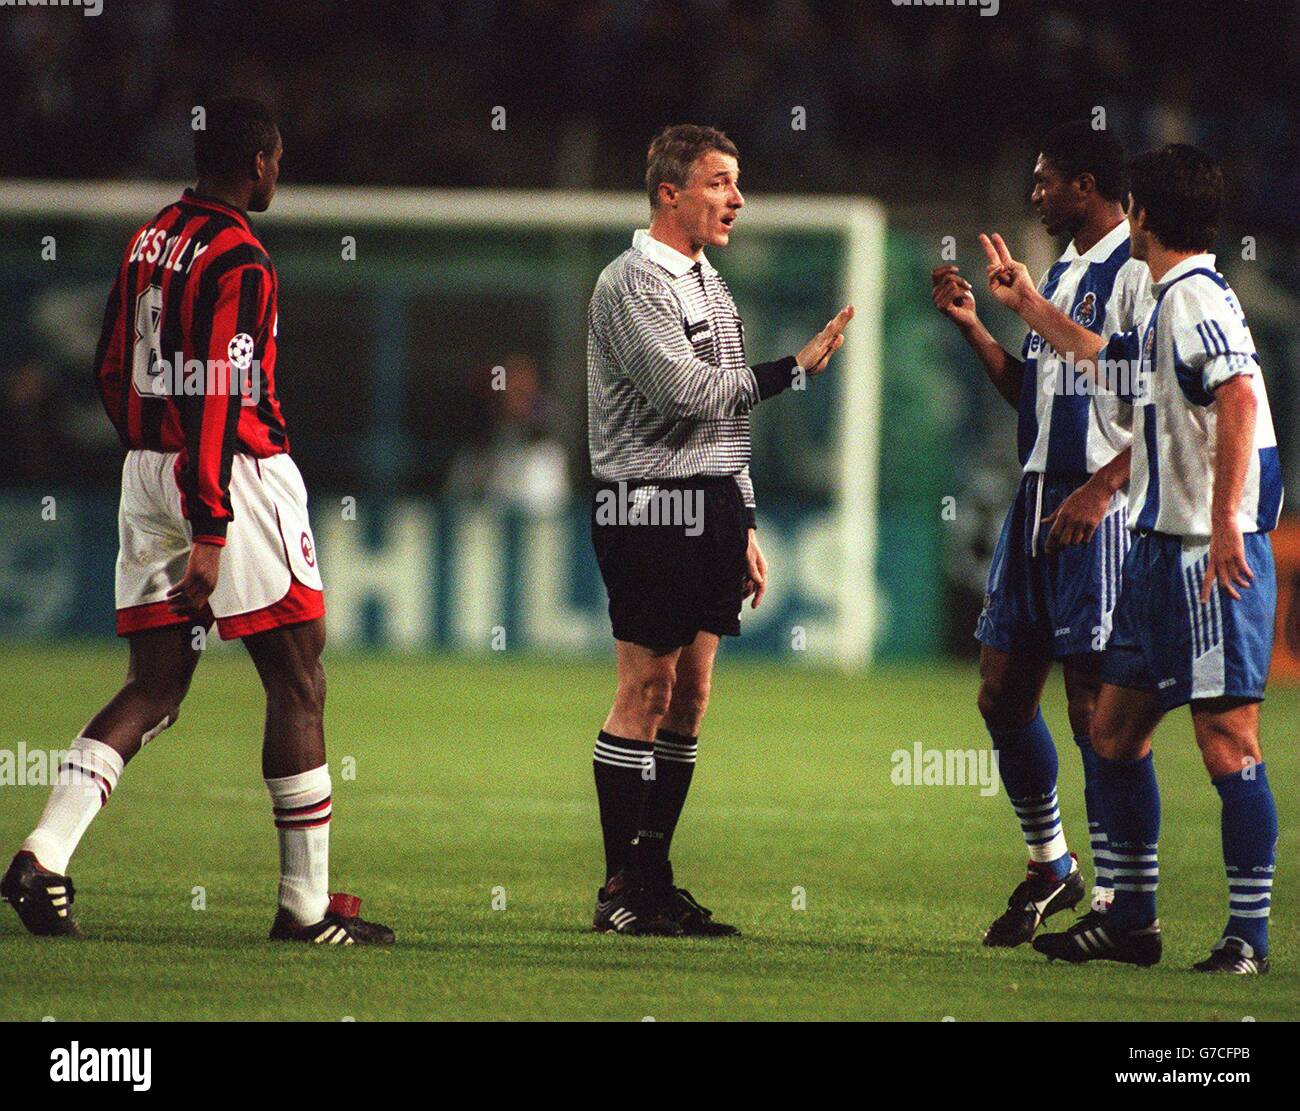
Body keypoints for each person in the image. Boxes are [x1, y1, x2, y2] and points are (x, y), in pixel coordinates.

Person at [1, 97, 392, 947]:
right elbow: (220, 388)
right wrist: (211, 525)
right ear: (258, 162)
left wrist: (147, 450)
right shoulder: (240, 259)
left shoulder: (151, 236)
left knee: (155, 684)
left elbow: (111, 361)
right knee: (298, 677)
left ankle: (43, 854)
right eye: (277, 161)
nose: (278, 175)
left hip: (147, 467)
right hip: (230, 476)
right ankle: (305, 909)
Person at [980, 143, 1282, 973]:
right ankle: (1131, 919)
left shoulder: (1192, 297)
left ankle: (1246, 938)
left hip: (1204, 556)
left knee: (1227, 741)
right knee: (1112, 735)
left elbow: (1240, 393)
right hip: (1157, 551)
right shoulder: (1170, 299)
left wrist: (1225, 522)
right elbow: (1116, 366)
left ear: (1144, 213)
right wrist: (1030, 309)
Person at [585, 123, 853, 935]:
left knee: (692, 697)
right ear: (670, 193)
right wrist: (794, 369)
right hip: (647, 504)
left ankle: (655, 877)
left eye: (737, 182)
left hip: (710, 506)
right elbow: (687, 393)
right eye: (719, 182)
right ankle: (619, 888)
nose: (736, 198)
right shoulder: (631, 283)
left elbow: (725, 428)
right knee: (646, 688)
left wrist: (744, 520)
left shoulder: (710, 281)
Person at [931, 122, 1152, 947]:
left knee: (1096, 704)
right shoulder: (1063, 272)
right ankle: (1051, 865)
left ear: (1088, 185)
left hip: (1097, 507)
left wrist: (1103, 485)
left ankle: (1121, 901)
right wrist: (975, 325)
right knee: (1000, 690)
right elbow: (1034, 394)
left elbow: (1159, 401)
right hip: (1035, 500)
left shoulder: (1137, 270)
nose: (1034, 194)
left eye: (1045, 180)